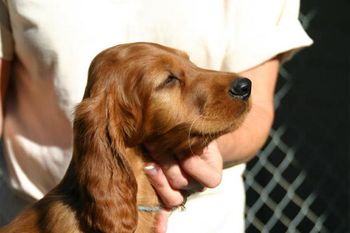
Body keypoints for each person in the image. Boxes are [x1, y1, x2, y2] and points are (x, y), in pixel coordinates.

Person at [0, 0, 312, 232]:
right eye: (172, 80)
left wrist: (190, 154)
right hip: (37, 207)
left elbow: (255, 109)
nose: (221, 81)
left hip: (205, 220)